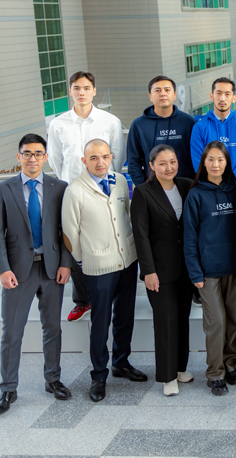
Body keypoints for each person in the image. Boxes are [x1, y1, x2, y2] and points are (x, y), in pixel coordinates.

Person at [61, 139, 146, 403]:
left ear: (111, 157)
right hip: (98, 267)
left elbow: (127, 215)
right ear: (84, 161)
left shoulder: (120, 181)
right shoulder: (75, 190)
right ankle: (99, 374)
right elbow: (70, 234)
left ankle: (121, 363)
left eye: (105, 157)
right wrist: (85, 263)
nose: (100, 162)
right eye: (94, 158)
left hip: (127, 261)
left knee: (124, 316)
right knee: (101, 322)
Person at [0, 134, 73, 415]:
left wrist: (66, 263)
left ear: (45, 157)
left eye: (38, 154)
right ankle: (8, 388)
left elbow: (66, 230)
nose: (33, 159)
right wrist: (3, 268)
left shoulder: (59, 187)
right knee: (12, 332)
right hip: (18, 270)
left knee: (52, 328)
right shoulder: (5, 189)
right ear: (18, 157)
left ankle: (52, 380)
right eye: (27, 154)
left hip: (52, 268)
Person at [48, 72, 126, 323]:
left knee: (108, 239)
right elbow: (55, 160)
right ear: (70, 91)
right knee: (74, 242)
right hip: (72, 191)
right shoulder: (58, 124)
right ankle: (83, 300)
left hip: (103, 191)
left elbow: (117, 156)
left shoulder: (110, 121)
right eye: (76, 88)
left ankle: (111, 295)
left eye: (86, 88)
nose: (81, 92)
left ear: (94, 91)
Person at [130, 144, 194, 396]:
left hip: (186, 268)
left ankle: (180, 368)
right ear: (152, 165)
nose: (169, 167)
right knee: (166, 321)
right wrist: (148, 271)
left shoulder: (187, 186)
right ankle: (167, 377)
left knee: (182, 320)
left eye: (173, 161)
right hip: (159, 270)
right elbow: (141, 236)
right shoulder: (144, 193)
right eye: (163, 163)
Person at [183, 142, 236, 396]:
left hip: (234, 269)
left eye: (220, 159)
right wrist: (195, 272)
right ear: (203, 163)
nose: (216, 164)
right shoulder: (196, 195)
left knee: (232, 321)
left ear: (226, 162)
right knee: (215, 322)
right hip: (207, 271)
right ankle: (215, 373)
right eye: (211, 160)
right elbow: (189, 236)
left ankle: (230, 365)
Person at [127, 76, 196, 187]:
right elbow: (133, 160)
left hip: (187, 188)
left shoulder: (189, 122)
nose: (163, 94)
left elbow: (198, 156)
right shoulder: (139, 125)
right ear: (150, 96)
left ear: (174, 95)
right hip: (154, 190)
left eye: (167, 90)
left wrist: (194, 186)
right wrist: (144, 187)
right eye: (157, 90)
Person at [190, 78, 236, 185]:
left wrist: (232, 180)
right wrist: (215, 181)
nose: (222, 98)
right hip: (210, 187)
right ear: (211, 96)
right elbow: (198, 160)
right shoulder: (199, 127)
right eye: (218, 93)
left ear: (234, 98)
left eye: (227, 94)